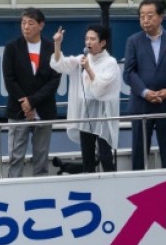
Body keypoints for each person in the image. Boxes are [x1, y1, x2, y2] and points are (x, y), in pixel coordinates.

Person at [124, 0, 166, 170]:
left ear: (161, 17)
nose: (145, 20)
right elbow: (129, 72)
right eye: (142, 16)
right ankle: (137, 185)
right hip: (141, 104)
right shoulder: (133, 41)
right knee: (139, 150)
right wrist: (145, 92)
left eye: (150, 16)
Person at [50, 24, 121, 173]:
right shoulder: (82, 59)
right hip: (85, 114)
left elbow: (101, 88)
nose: (88, 42)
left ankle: (113, 186)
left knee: (105, 156)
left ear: (102, 43)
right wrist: (57, 44)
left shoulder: (111, 63)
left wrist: (88, 69)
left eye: (93, 39)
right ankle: (90, 185)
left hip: (103, 116)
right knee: (87, 157)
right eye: (86, 38)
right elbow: (60, 65)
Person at [2, 7, 60, 178]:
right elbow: (9, 79)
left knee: (41, 157)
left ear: (41, 25)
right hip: (18, 110)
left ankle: (39, 192)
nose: (26, 27)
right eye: (23, 23)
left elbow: (54, 80)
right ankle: (13, 191)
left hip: (44, 109)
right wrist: (25, 103)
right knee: (15, 156)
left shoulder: (51, 47)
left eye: (31, 23)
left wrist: (32, 102)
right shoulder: (12, 47)